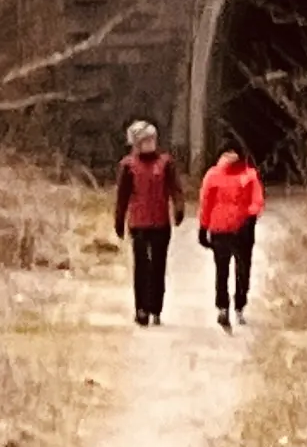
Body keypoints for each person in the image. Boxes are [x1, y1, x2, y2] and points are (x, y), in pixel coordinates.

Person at [113, 120, 181, 325]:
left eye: (152, 139)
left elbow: (175, 188)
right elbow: (122, 196)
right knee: (142, 266)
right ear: (136, 143)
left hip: (161, 222)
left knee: (158, 266)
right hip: (139, 222)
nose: (150, 143)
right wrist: (119, 219)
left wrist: (178, 208)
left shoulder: (165, 162)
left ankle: (156, 307)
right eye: (145, 140)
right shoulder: (128, 165)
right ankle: (141, 308)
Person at [196, 146, 265, 327]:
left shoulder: (216, 175)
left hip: (226, 229)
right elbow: (257, 202)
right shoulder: (247, 175)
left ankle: (226, 306)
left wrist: (203, 227)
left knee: (224, 270)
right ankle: (233, 307)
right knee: (238, 270)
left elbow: (206, 202)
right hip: (235, 230)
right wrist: (250, 218)